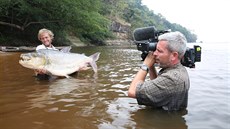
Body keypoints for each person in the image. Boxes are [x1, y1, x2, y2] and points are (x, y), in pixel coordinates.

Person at [128, 31, 190, 111]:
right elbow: (157, 86)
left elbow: (132, 92)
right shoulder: (177, 69)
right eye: (155, 49)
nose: (154, 54)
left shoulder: (172, 78)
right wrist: (151, 66)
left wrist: (145, 65)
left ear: (174, 56)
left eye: (159, 51)